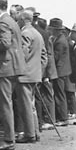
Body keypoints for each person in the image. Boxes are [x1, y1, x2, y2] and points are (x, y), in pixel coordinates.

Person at [0, 0, 27, 150]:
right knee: (8, 104)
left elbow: (5, 43)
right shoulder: (12, 21)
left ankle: (9, 140)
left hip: (4, 69)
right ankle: (10, 137)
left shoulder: (3, 22)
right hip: (12, 67)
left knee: (4, 105)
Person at [15, 10, 47, 143]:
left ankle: (30, 134)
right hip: (35, 75)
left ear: (23, 20)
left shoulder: (25, 33)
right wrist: (39, 70)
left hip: (24, 75)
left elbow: (22, 55)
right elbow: (44, 56)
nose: (17, 22)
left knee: (26, 105)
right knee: (31, 104)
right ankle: (35, 132)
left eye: (18, 19)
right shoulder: (37, 34)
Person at [48, 18, 71, 126]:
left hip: (60, 71)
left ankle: (63, 118)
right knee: (60, 93)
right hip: (62, 70)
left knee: (59, 94)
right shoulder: (61, 38)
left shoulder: (60, 41)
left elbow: (56, 57)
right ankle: (63, 116)